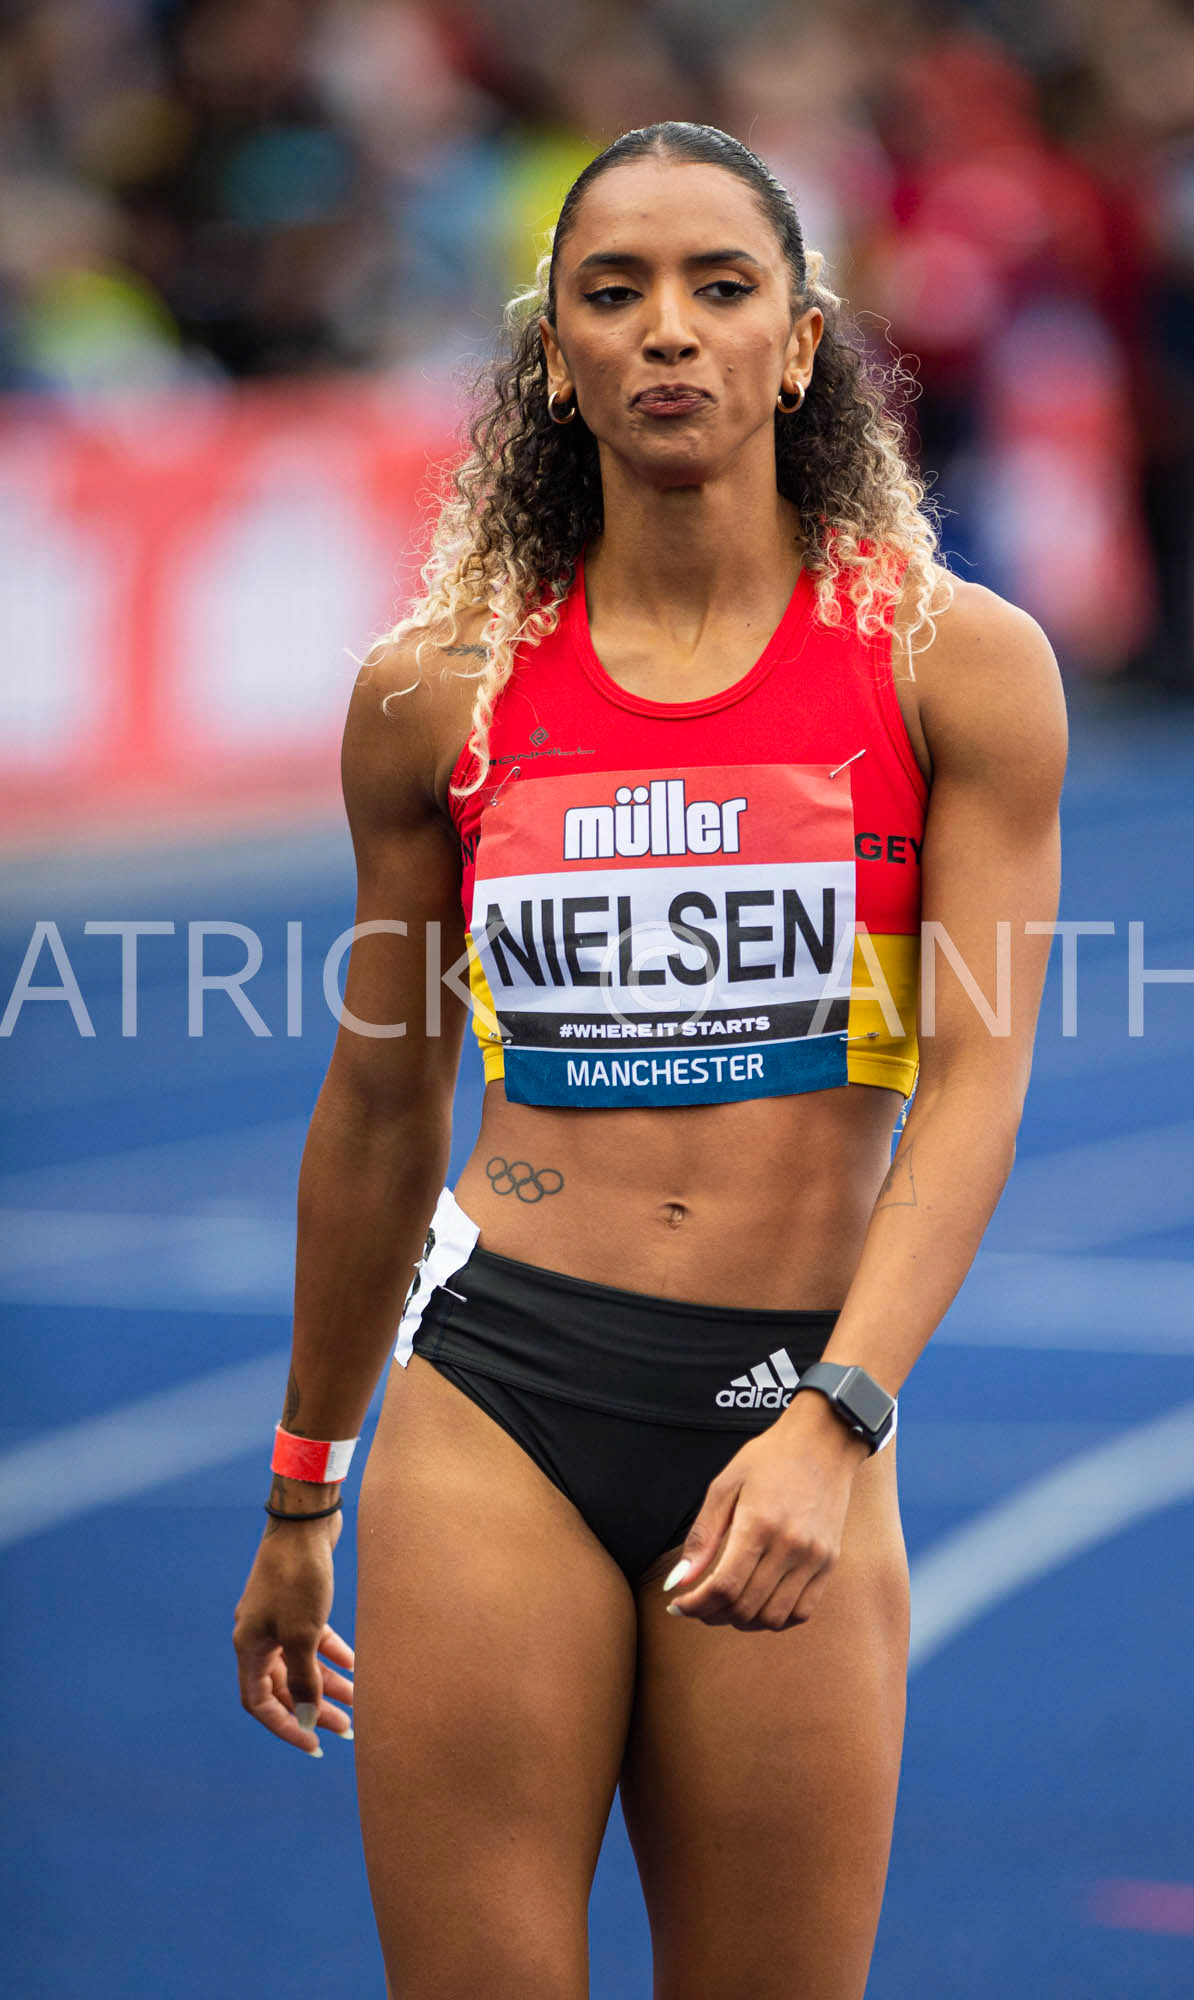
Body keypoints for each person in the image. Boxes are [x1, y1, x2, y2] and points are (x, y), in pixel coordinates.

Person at [232, 121, 1066, 2000]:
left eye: (718, 289)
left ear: (801, 344)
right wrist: (303, 1484)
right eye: (612, 294)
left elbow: (979, 1083)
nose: (666, 332)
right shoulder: (434, 692)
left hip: (783, 1399)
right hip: (496, 1393)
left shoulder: (953, 668)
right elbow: (378, 1104)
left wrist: (837, 1418)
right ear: (555, 355)